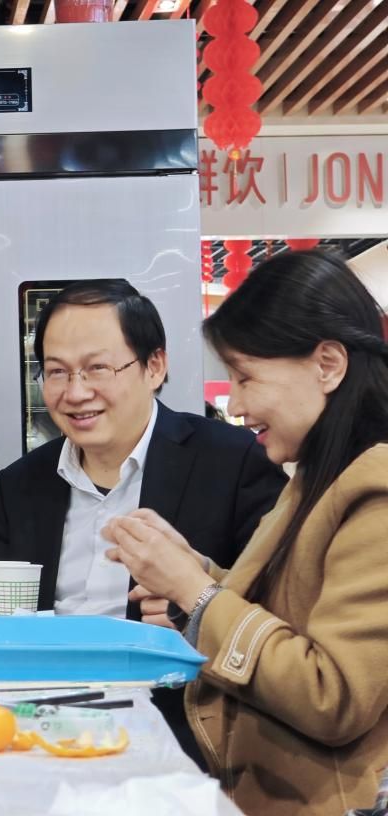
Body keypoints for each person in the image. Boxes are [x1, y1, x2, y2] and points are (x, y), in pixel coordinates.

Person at [103, 250, 388, 816]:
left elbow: (333, 696)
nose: (234, 404)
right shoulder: (315, 479)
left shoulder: (374, 487)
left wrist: (195, 592)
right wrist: (197, 577)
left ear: (328, 365)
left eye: (246, 377)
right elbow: (294, 613)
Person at [0, 279, 287, 763]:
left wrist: (194, 606)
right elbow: (4, 612)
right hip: (35, 732)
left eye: (98, 368)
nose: (76, 392)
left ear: (154, 366)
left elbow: (280, 613)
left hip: (183, 735)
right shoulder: (18, 486)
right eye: (57, 371)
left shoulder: (232, 463)